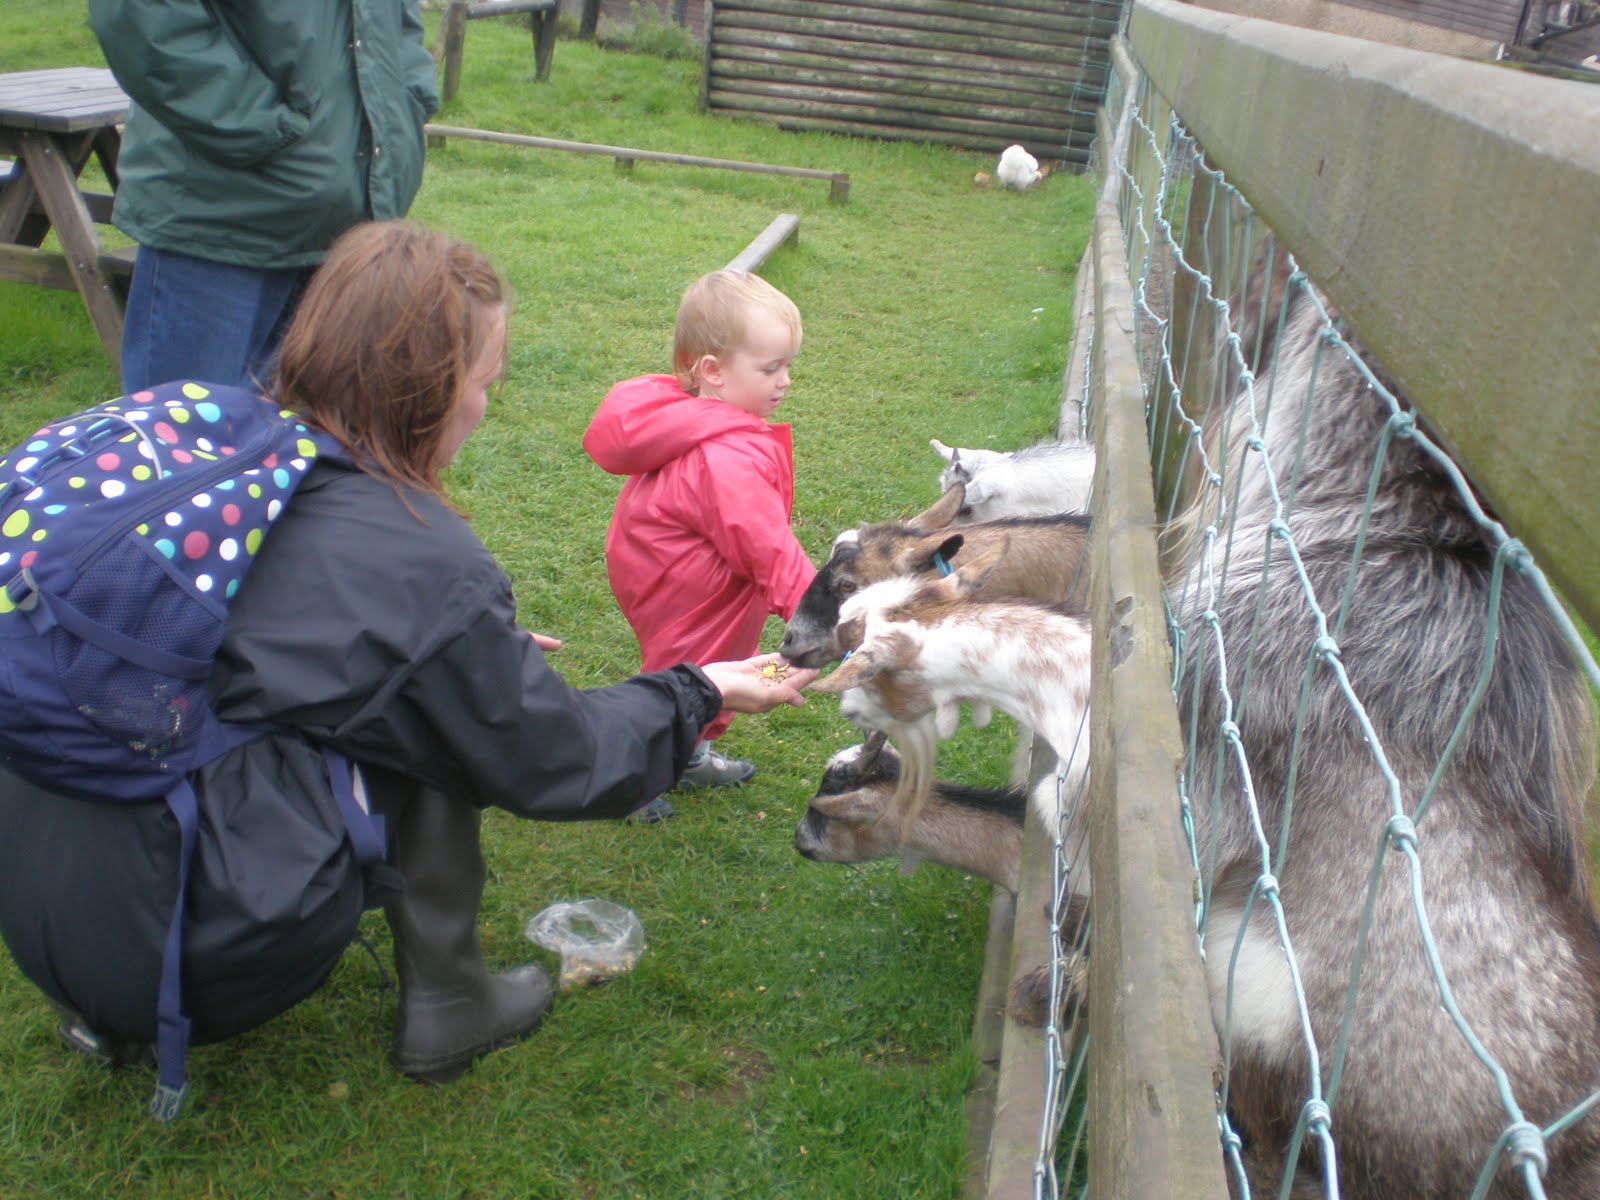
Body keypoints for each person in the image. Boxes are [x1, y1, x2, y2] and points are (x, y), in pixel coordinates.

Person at [0, 220, 818, 1089]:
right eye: (484, 382)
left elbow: (253, 634)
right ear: (428, 392)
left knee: (426, 690)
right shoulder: (417, 563)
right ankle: (451, 1004)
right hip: (186, 954)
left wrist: (462, 652)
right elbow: (557, 757)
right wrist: (697, 687)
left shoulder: (225, 433)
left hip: (44, 905)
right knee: (435, 728)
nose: (486, 405)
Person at [86, 0, 438, 393]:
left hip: (353, 226)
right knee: (190, 440)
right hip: (222, 218)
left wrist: (410, 97)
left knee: (317, 444)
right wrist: (263, 128)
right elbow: (139, 14)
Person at [582, 270, 818, 821]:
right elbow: (767, 547)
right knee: (681, 677)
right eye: (770, 368)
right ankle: (628, 779)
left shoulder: (699, 415)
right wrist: (821, 612)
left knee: (714, 665)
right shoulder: (724, 457)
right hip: (687, 583)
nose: (784, 381)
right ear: (711, 371)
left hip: (682, 565)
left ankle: (689, 756)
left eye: (788, 366)